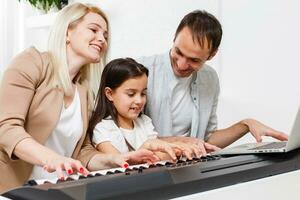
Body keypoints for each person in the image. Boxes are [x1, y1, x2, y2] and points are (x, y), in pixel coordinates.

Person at [0, 3, 156, 193]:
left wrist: (112, 160)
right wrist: (51, 158)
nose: (102, 39)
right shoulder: (32, 62)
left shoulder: (84, 92)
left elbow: (82, 150)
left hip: (56, 189)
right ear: (67, 32)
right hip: (12, 188)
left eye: (105, 36)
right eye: (94, 30)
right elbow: (6, 129)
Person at [137, 10, 288, 154]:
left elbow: (207, 139)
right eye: (178, 52)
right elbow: (124, 136)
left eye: (194, 60)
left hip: (189, 166)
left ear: (212, 55)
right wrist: (181, 143)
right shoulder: (141, 70)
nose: (181, 65)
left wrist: (246, 124)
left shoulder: (209, 78)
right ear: (174, 38)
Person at [88, 57, 191, 162]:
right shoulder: (102, 129)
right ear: (109, 94)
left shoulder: (145, 122)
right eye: (131, 94)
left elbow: (162, 157)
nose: (139, 100)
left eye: (143, 94)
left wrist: (177, 150)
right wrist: (146, 147)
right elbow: (118, 164)